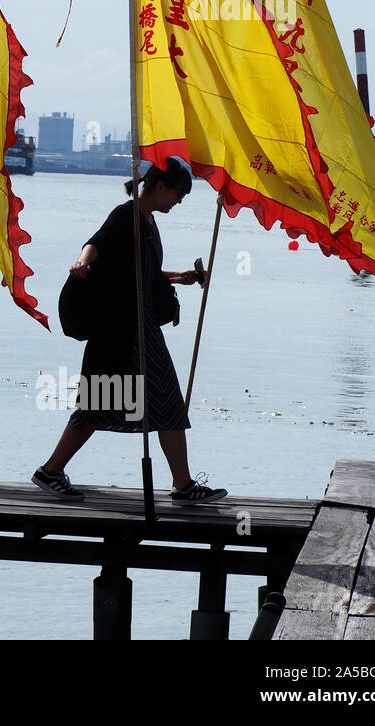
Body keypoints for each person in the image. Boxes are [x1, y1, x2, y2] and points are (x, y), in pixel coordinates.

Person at [32, 160, 228, 506]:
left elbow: (142, 274)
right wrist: (82, 262)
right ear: (159, 186)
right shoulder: (126, 216)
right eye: (178, 194)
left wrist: (179, 277)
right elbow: (95, 243)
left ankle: (182, 484)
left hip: (140, 328)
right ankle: (50, 471)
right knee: (100, 405)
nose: (178, 202)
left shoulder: (149, 222)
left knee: (156, 402)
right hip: (119, 330)